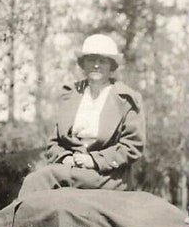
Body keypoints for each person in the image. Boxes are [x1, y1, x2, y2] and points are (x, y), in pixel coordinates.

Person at [18, 34, 144, 195]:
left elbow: (133, 146)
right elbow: (54, 142)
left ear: (112, 66)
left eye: (103, 60)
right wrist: (65, 158)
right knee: (37, 181)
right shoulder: (71, 94)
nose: (96, 65)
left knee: (40, 180)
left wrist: (94, 160)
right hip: (70, 167)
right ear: (83, 64)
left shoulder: (126, 99)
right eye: (91, 59)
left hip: (107, 174)